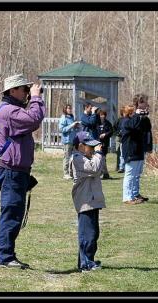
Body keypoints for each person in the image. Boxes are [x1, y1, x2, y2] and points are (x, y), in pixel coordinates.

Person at [0, 74, 46, 269]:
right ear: (12, 91)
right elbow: (34, 119)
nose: (26, 93)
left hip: (14, 170)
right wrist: (36, 98)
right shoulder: (9, 111)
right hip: (11, 171)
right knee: (12, 213)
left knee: (13, 211)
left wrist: (33, 98)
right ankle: (5, 258)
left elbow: (32, 119)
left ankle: (7, 255)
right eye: (24, 89)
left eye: (27, 89)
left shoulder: (9, 110)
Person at [69, 131, 105, 272]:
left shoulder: (87, 158)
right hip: (85, 202)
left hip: (92, 201)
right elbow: (95, 169)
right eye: (89, 146)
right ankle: (85, 263)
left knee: (94, 233)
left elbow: (98, 168)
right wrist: (99, 154)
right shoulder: (77, 158)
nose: (93, 149)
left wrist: (96, 155)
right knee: (87, 234)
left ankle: (88, 259)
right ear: (80, 146)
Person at [121, 104, 151, 205]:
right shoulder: (125, 121)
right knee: (130, 175)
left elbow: (146, 128)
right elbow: (132, 125)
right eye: (132, 112)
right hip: (130, 151)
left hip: (138, 151)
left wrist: (144, 116)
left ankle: (135, 194)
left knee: (136, 175)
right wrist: (137, 116)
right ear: (129, 113)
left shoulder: (136, 120)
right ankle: (127, 197)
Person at [59, 104, 80, 180]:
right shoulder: (63, 118)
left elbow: (73, 129)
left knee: (73, 158)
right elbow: (61, 129)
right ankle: (66, 173)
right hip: (67, 141)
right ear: (65, 109)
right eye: (68, 108)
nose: (70, 110)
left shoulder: (71, 117)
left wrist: (76, 126)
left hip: (73, 140)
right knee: (67, 157)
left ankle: (71, 172)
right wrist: (71, 126)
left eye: (70, 108)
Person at [97, 110, 114, 179]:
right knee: (99, 158)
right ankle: (102, 173)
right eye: (101, 115)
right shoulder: (96, 123)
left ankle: (105, 174)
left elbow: (111, 131)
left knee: (103, 157)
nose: (102, 116)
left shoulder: (108, 123)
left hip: (105, 143)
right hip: (97, 143)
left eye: (103, 115)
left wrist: (105, 134)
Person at [113, 106, 126, 173]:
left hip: (125, 137)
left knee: (124, 153)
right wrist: (118, 133)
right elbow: (114, 128)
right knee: (118, 152)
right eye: (124, 112)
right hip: (119, 137)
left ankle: (123, 166)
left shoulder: (128, 119)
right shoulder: (119, 120)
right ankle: (118, 166)